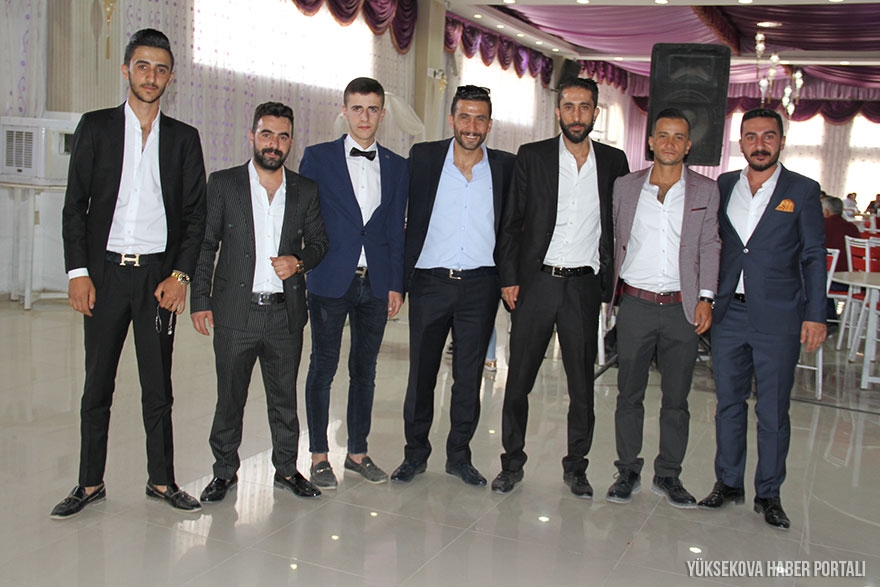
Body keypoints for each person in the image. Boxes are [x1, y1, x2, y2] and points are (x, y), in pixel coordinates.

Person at [52, 29, 206, 519]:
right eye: (143, 66)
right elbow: (75, 207)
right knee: (97, 384)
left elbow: (196, 216)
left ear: (170, 78)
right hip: (105, 277)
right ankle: (89, 482)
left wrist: (180, 277)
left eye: (161, 69)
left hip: (157, 280)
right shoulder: (96, 128)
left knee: (158, 386)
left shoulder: (183, 139)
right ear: (126, 70)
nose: (151, 77)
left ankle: (161, 480)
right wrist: (79, 272)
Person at [491, 76, 629, 496]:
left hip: (583, 288)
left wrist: (612, 286)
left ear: (595, 112)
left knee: (581, 386)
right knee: (519, 381)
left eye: (584, 107)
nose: (576, 115)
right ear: (557, 112)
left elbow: (620, 225)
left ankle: (577, 467)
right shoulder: (532, 156)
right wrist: (509, 278)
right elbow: (511, 222)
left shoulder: (613, 162)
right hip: (536, 284)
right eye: (569, 107)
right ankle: (511, 463)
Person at [191, 102, 328, 503]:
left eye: (283, 137)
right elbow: (206, 244)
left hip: (285, 314)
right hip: (236, 312)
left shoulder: (304, 190)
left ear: (291, 142)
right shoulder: (224, 184)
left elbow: (320, 242)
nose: (274, 143)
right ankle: (223, 472)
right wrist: (200, 299)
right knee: (230, 398)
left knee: (284, 399)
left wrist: (298, 262)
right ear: (252, 136)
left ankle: (286, 469)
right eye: (267, 134)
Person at [698, 108, 826, 530]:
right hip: (729, 314)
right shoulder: (724, 185)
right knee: (728, 404)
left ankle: (768, 493)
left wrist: (816, 314)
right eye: (751, 136)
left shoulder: (802, 190)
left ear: (781, 141)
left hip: (779, 318)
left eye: (768, 136)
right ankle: (728, 482)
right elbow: (712, 244)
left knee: (772, 411)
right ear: (740, 143)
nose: (759, 144)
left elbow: (813, 256)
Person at [391, 85, 515, 486]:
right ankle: (414, 455)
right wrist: (396, 281)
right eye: (465, 116)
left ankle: (459, 456)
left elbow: (513, 228)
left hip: (481, 286)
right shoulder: (424, 158)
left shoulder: (505, 167)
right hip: (430, 283)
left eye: (480, 118)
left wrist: (511, 278)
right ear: (451, 119)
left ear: (490, 124)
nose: (472, 126)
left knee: (468, 377)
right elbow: (397, 213)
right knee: (421, 375)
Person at [604, 108, 720, 508]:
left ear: (688, 146)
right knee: (628, 394)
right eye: (663, 136)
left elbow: (710, 245)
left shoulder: (706, 190)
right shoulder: (625, 187)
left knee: (677, 398)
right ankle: (627, 470)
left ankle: (669, 474)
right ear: (651, 142)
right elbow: (612, 237)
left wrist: (706, 297)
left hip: (681, 308)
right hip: (635, 303)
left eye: (678, 137)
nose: (670, 143)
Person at [298, 78, 408, 488]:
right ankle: (319, 456)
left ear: (383, 113)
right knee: (322, 367)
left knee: (366, 370)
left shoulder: (397, 165)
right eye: (357, 108)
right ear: (344, 111)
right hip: (330, 277)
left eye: (372, 109)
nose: (365, 117)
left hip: (375, 283)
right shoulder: (318, 157)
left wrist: (396, 283)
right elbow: (304, 219)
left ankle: (357, 452)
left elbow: (396, 230)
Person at [823, 196, 860, 320]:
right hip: (854, 282)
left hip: (830, 281)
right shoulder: (852, 228)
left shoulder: (821, 226)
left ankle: (827, 317)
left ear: (826, 212)